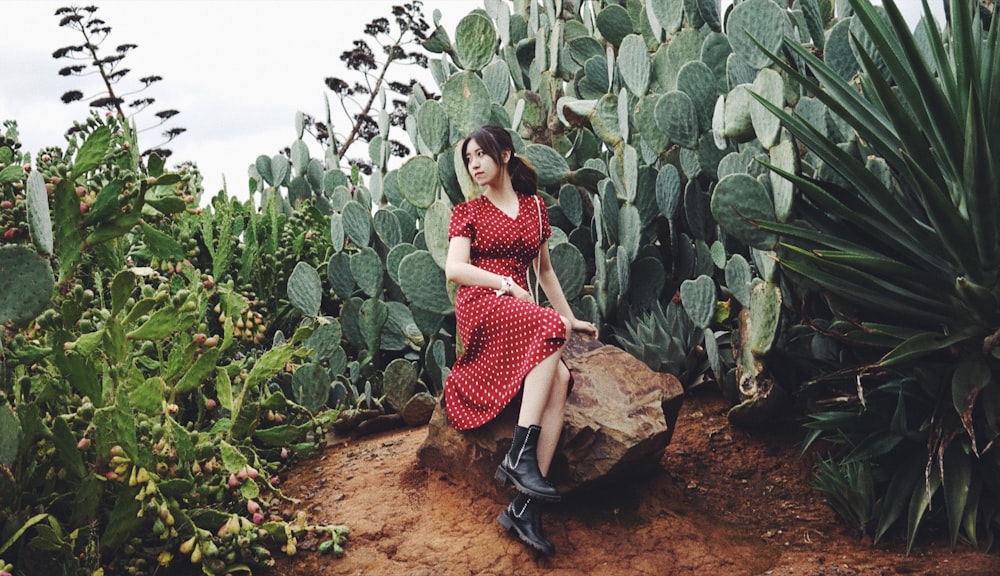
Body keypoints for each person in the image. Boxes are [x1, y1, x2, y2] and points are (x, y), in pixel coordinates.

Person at [444, 124, 598, 555]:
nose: (474, 164)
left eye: (481, 155)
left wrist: (573, 318)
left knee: (562, 380)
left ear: (505, 155)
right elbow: (454, 270)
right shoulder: (468, 212)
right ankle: (519, 456)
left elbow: (545, 271)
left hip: (524, 312)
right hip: (483, 304)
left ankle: (524, 509)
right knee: (550, 327)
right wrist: (505, 284)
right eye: (468, 158)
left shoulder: (533, 208)